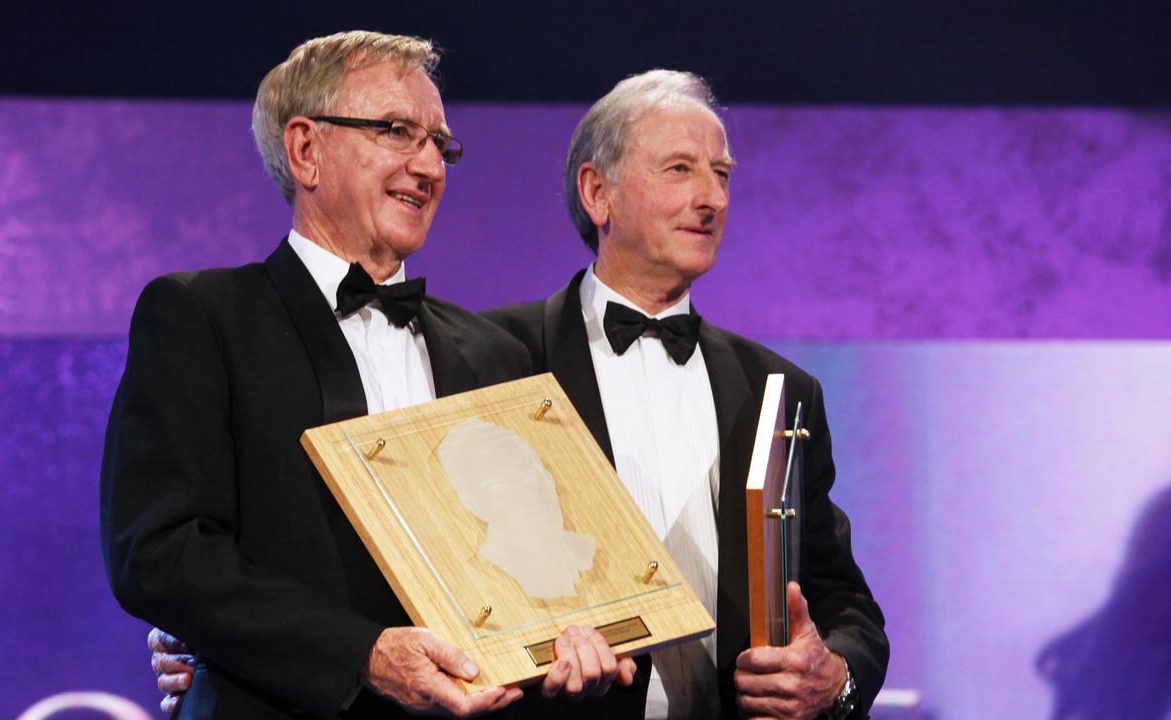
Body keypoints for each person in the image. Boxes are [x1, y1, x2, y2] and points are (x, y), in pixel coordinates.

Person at [149, 69, 889, 719]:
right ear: (597, 191)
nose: (711, 198)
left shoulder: (779, 391)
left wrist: (836, 681)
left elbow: (837, 596)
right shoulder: (502, 359)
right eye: (680, 169)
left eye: (723, 174)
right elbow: (408, 543)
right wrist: (222, 641)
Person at [103, 31, 632, 720]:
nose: (429, 167)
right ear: (305, 150)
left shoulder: (494, 353)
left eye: (440, 144)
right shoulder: (204, 318)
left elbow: (546, 565)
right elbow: (159, 551)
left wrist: (580, 639)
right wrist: (362, 653)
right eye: (395, 131)